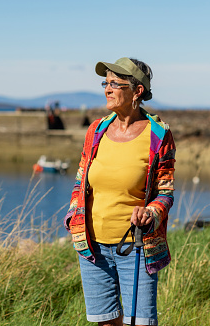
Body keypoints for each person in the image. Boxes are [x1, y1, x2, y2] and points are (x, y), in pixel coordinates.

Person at [63, 57, 176, 326]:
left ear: (137, 91)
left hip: (136, 246)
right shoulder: (96, 131)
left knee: (140, 323)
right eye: (106, 82)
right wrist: (73, 217)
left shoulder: (158, 135)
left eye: (116, 83)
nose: (107, 89)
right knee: (106, 322)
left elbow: (165, 193)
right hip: (93, 248)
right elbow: (81, 180)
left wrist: (151, 211)